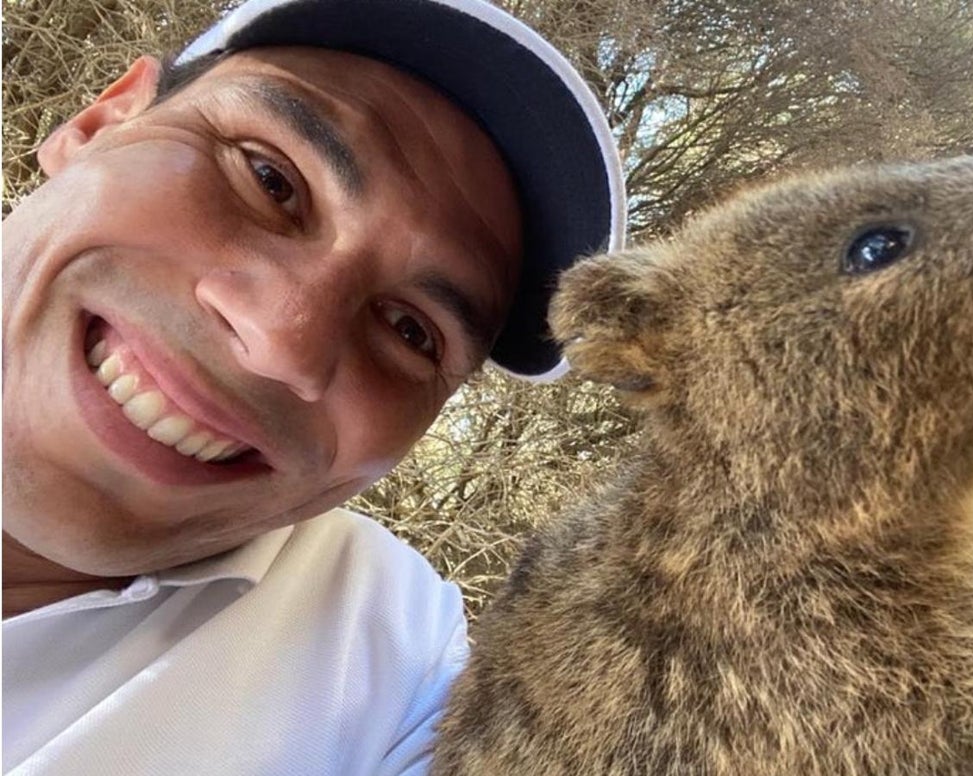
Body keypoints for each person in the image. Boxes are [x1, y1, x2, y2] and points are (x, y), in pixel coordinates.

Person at [1, 0, 626, 772]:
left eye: (410, 331)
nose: (281, 343)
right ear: (98, 123)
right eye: (270, 178)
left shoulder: (392, 673)